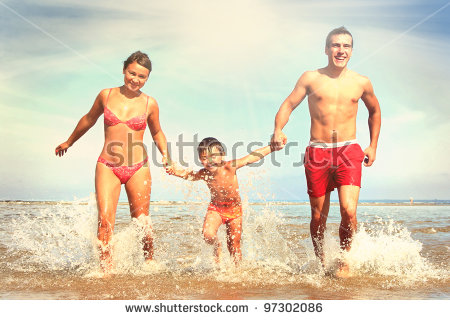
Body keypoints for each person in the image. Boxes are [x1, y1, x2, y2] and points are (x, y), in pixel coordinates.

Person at [271, 27, 381, 277]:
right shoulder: (311, 78)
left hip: (348, 150)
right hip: (317, 152)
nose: (340, 50)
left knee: (349, 211)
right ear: (326, 49)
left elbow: (375, 111)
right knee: (318, 217)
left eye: (346, 46)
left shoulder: (361, 82)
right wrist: (278, 129)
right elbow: (289, 104)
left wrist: (373, 145)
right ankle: (321, 263)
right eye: (335, 45)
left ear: (351, 51)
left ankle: (344, 259)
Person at [55, 51, 170, 273]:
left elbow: (157, 133)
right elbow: (89, 119)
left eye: (142, 77)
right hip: (107, 166)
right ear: (124, 70)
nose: (136, 80)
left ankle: (150, 264)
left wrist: (166, 156)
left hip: (138, 167)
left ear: (147, 79)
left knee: (142, 222)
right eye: (132, 73)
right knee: (105, 220)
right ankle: (105, 271)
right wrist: (69, 142)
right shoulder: (105, 95)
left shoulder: (150, 103)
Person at [166, 137, 275, 264]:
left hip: (235, 211)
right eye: (204, 158)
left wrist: (271, 147)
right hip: (216, 209)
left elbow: (250, 158)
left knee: (234, 244)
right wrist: (175, 171)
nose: (209, 161)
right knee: (207, 235)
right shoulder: (204, 173)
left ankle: (237, 270)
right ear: (200, 160)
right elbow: (190, 175)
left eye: (213, 156)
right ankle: (216, 245)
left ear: (222, 155)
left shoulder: (230, 166)